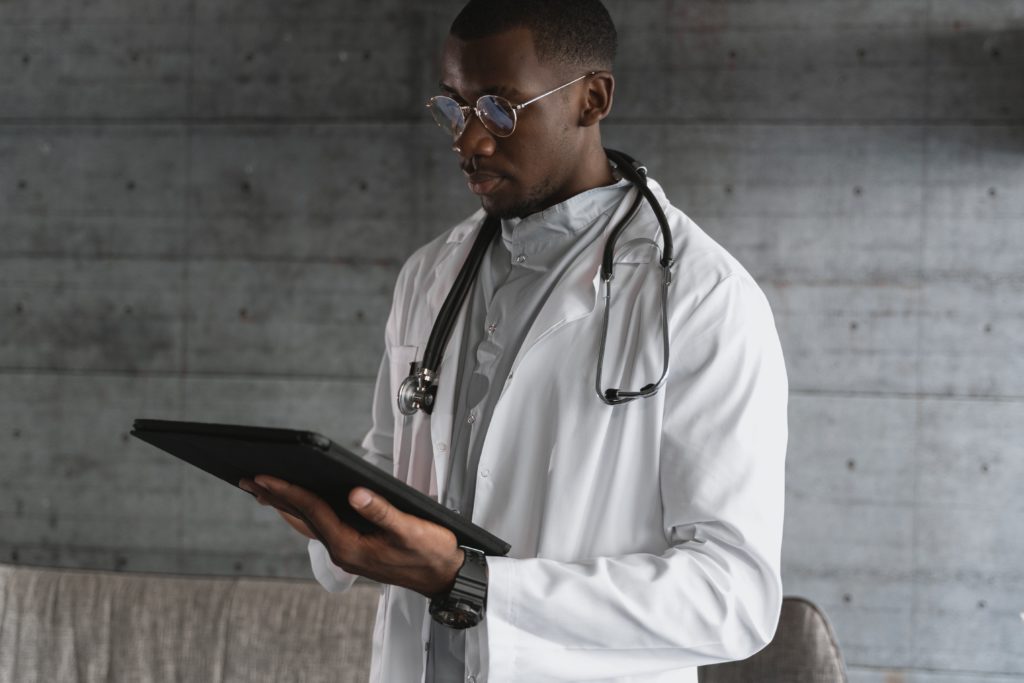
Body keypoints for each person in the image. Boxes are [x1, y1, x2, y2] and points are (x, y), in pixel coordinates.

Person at [240, 1, 788, 681]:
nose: (468, 141)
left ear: (593, 99)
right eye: (454, 107)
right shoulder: (428, 276)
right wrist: (342, 518)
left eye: (500, 109)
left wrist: (474, 581)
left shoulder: (702, 298)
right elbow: (390, 458)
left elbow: (732, 598)